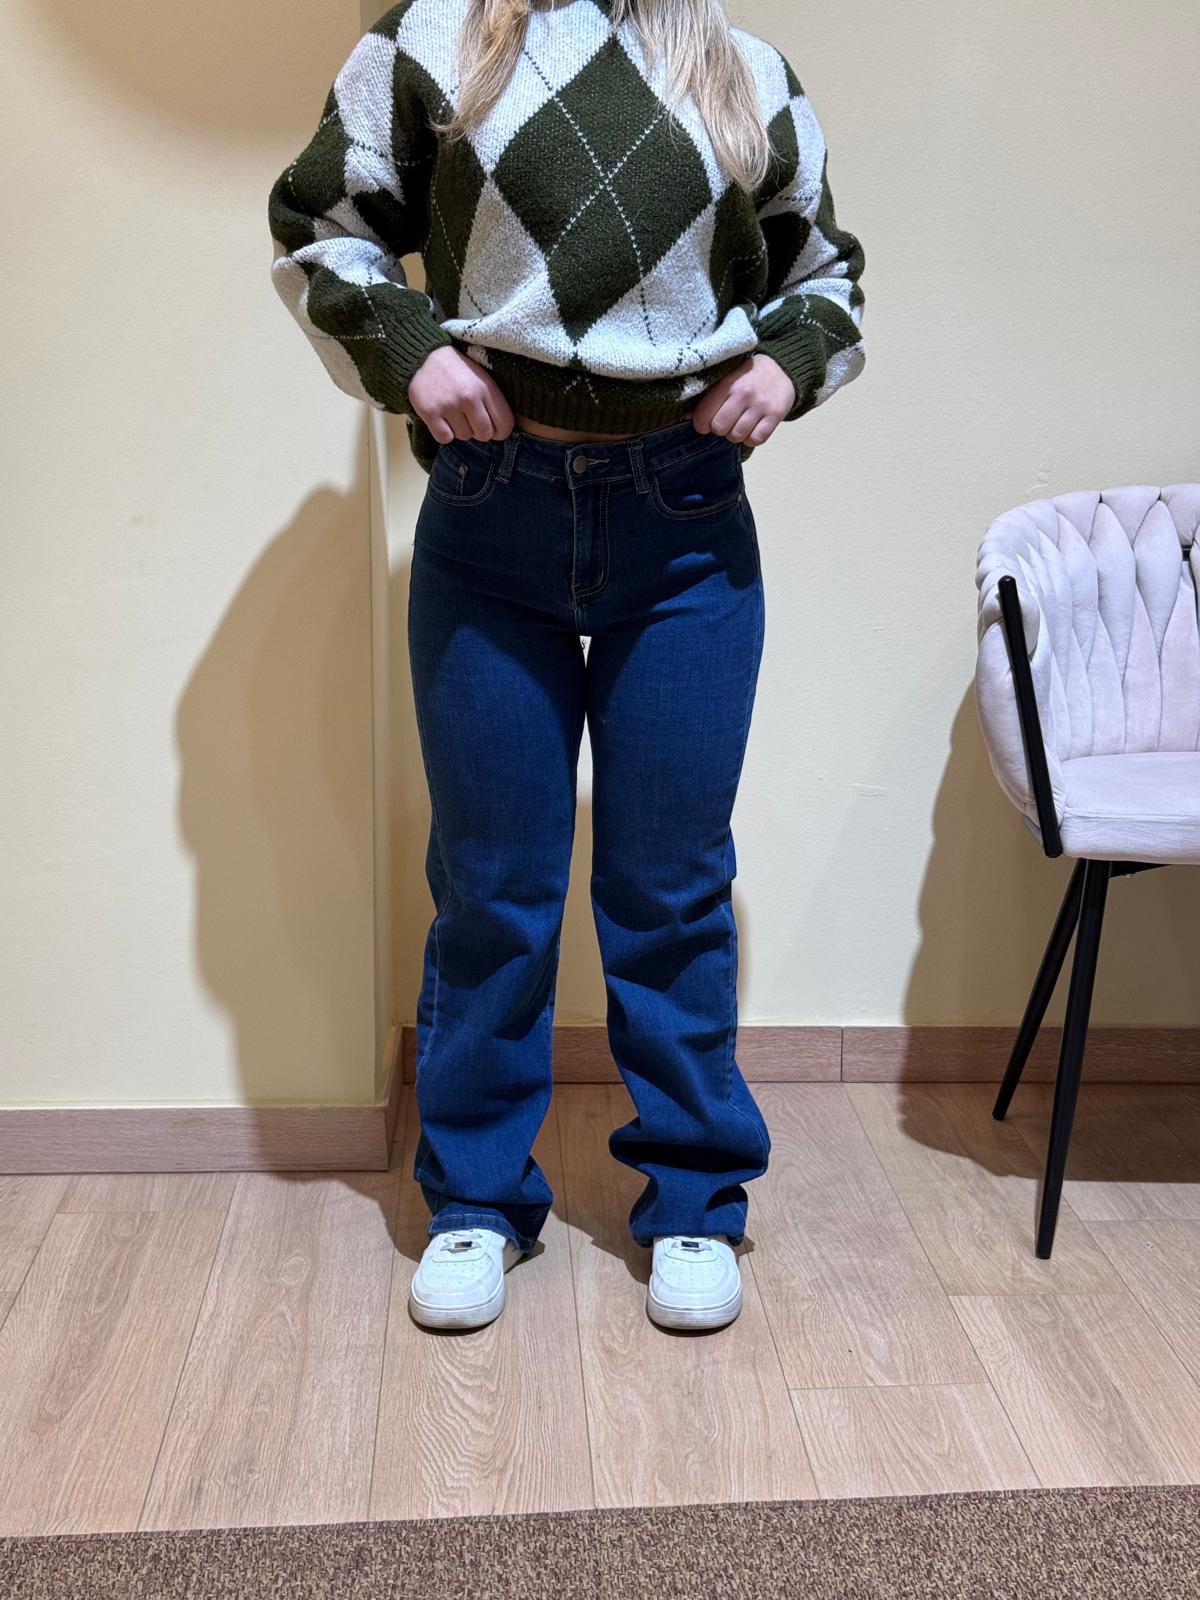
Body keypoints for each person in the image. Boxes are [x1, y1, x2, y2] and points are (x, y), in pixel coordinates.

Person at [267, 0, 865, 1335]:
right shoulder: (429, 42)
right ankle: (476, 1204)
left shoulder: (743, 69)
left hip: (686, 527)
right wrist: (413, 353)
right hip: (493, 514)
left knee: (670, 885)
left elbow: (827, 274)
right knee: (494, 887)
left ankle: (696, 1200)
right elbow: (319, 223)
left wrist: (787, 364)